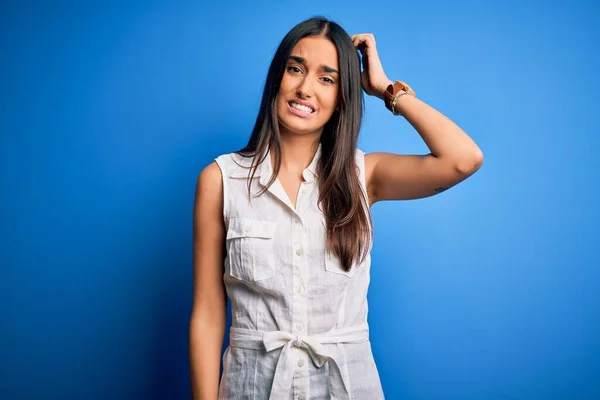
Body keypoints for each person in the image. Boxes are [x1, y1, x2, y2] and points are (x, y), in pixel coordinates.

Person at [189, 15, 483, 400]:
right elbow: (208, 315)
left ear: (343, 95)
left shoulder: (365, 174)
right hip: (251, 388)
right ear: (277, 76)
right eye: (295, 69)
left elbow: (463, 159)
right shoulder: (220, 179)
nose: (305, 88)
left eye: (327, 79)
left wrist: (386, 90)